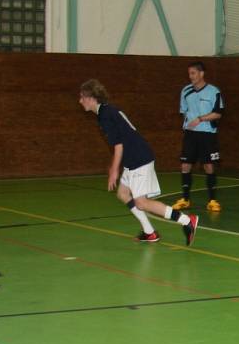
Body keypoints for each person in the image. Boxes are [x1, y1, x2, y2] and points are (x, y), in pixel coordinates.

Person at [79, 79, 198, 246]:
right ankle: (150, 232)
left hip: (138, 158)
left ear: (91, 97)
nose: (80, 101)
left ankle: (187, 220)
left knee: (141, 203)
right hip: (134, 157)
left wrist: (114, 170)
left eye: (82, 97)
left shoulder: (105, 115)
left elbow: (118, 145)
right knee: (123, 194)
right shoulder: (108, 111)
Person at [172, 61, 225, 212]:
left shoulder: (214, 92)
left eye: (193, 73)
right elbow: (184, 110)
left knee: (209, 166)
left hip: (207, 134)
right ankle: (185, 199)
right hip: (190, 134)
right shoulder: (186, 91)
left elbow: (218, 113)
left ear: (202, 74)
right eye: (189, 73)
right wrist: (189, 123)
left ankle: (212, 200)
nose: (191, 76)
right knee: (185, 165)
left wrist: (200, 119)